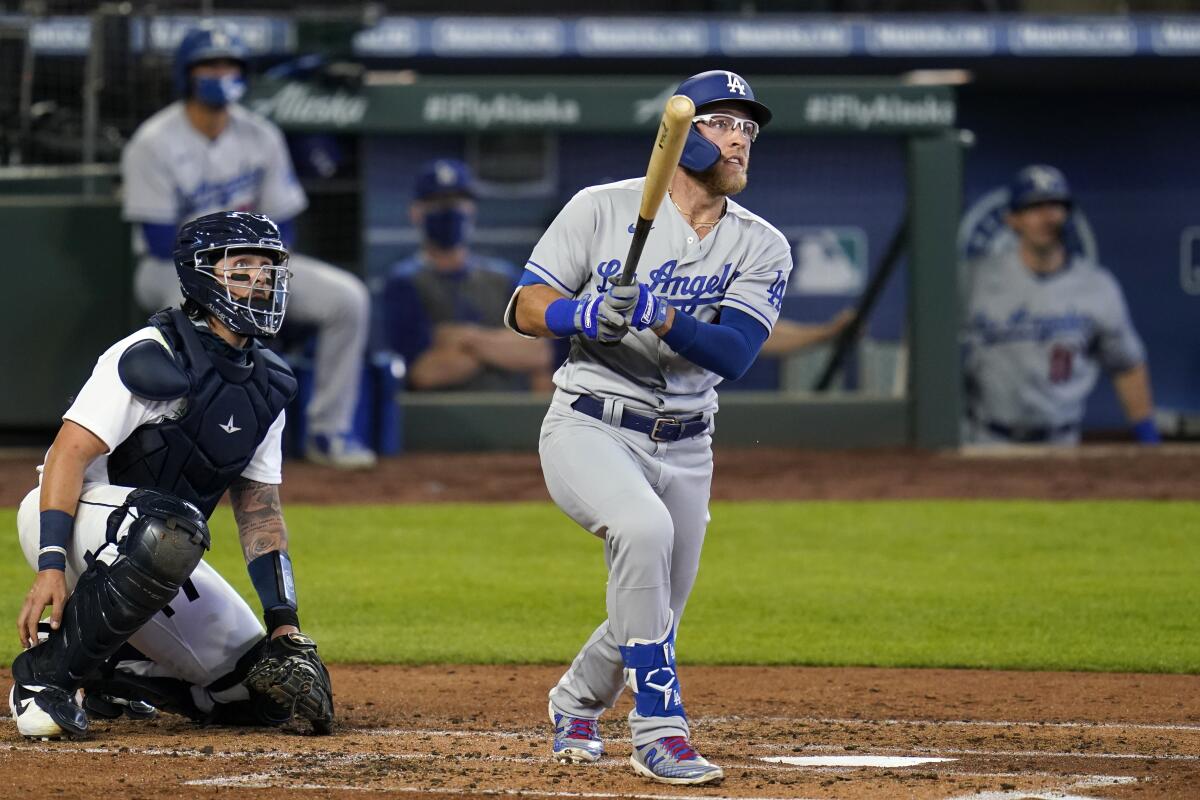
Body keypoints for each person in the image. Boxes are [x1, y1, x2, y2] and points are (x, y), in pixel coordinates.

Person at [505, 70, 786, 785]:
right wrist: (581, 315)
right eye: (723, 125)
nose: (739, 141)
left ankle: (575, 700)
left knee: (657, 604)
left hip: (689, 441)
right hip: (590, 422)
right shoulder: (599, 208)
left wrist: (662, 314)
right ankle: (659, 730)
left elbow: (734, 353)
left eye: (747, 130)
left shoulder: (762, 246)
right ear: (681, 136)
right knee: (643, 532)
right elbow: (524, 306)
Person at [8, 212, 334, 740]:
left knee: (260, 695)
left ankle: (118, 672)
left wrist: (284, 622)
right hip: (71, 524)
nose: (259, 279)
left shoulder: (270, 383)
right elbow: (67, 454)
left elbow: (258, 510)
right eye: (242, 266)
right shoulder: (149, 353)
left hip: (159, 547)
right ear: (202, 275)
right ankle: (45, 680)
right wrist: (49, 566)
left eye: (268, 268)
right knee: (170, 529)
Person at [120, 21, 375, 469]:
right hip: (174, 271)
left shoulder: (261, 135)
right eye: (209, 66)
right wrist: (229, 274)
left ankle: (328, 430)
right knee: (186, 310)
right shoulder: (152, 142)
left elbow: (286, 228)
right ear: (187, 74)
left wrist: (257, 278)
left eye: (229, 65)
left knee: (348, 299)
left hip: (251, 268)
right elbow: (161, 241)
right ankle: (186, 435)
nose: (221, 74)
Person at [962, 164, 1159, 446]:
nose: (1047, 217)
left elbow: (1127, 365)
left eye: (1055, 206)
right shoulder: (975, 279)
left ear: (1067, 214)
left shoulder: (1097, 286)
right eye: (1034, 207)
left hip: (1061, 443)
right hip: (989, 439)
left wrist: (1148, 437)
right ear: (1012, 219)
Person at [381, 159, 553, 391]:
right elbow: (424, 373)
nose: (450, 210)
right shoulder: (404, 282)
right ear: (416, 212)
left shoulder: (503, 277)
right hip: (436, 417)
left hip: (506, 413)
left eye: (457, 201)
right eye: (438, 202)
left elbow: (539, 353)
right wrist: (501, 348)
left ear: (472, 209)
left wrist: (465, 339)